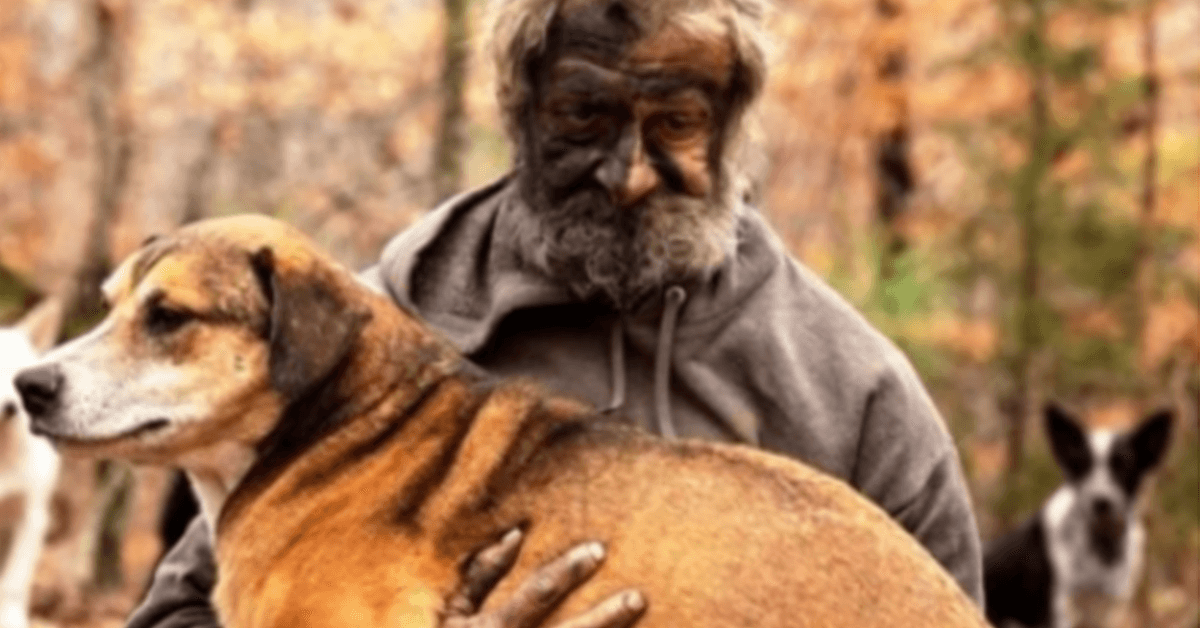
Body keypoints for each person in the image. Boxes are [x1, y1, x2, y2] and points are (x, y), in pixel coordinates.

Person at [126, 0, 984, 625]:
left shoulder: (854, 394)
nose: (630, 172)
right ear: (519, 110)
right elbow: (179, 617)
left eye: (678, 122)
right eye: (585, 115)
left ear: (733, 128)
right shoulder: (362, 340)